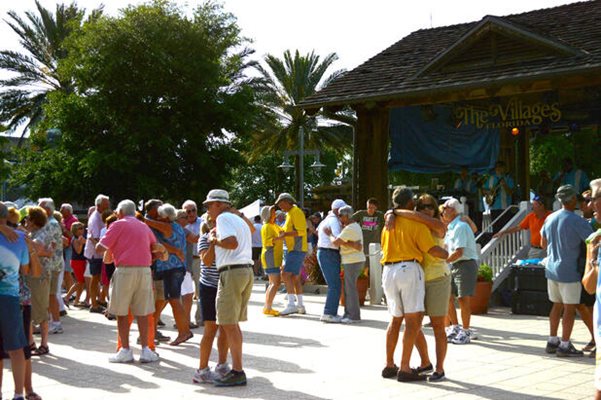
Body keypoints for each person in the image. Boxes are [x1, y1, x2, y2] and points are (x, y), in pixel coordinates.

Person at [380, 187, 448, 382]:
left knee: (395, 319)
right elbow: (432, 249)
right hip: (408, 269)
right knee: (413, 321)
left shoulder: (388, 225)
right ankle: (404, 368)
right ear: (410, 203)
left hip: (388, 270)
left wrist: (392, 212)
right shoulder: (415, 224)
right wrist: (446, 255)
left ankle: (389, 363)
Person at [96, 199, 161, 363]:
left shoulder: (117, 225)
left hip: (125, 270)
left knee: (122, 312)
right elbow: (155, 247)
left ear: (121, 212)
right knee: (144, 312)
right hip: (145, 271)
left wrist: (114, 246)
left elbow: (99, 248)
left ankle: (125, 350)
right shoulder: (144, 226)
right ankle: (146, 349)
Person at [204, 189, 254, 387]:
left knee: (228, 324)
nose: (208, 209)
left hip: (232, 273)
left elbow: (231, 243)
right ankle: (237, 369)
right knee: (233, 324)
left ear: (218, 204)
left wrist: (213, 240)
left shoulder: (224, 218)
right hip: (244, 271)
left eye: (209, 205)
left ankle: (238, 371)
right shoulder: (238, 219)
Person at [542, 185, 593, 357]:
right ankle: (564, 345)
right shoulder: (576, 220)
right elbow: (592, 242)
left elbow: (543, 243)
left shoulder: (550, 218)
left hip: (551, 269)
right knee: (569, 308)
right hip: (569, 270)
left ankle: (552, 340)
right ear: (571, 199)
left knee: (556, 305)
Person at [144, 204, 193, 346]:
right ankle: (152, 333)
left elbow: (148, 224)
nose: (157, 218)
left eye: (159, 215)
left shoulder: (168, 226)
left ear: (165, 217)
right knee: (167, 301)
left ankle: (184, 332)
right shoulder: (175, 226)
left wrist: (142, 218)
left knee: (174, 300)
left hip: (172, 268)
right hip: (173, 268)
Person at [192, 216, 231, 383]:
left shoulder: (227, 238)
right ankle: (201, 370)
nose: (217, 226)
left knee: (225, 328)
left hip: (225, 285)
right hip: (209, 287)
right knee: (210, 328)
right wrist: (213, 243)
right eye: (214, 223)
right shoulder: (204, 239)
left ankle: (222, 365)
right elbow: (206, 261)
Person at [0, 201, 30, 400]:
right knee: (16, 347)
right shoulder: (19, 237)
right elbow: (25, 270)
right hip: (10, 297)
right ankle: (19, 393)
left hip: (9, 298)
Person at [442, 198, 480, 345]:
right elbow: (447, 248)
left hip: (465, 264)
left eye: (445, 208)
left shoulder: (460, 227)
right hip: (455, 265)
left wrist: (444, 262)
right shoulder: (451, 227)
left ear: (453, 210)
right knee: (448, 297)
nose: (442, 211)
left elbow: (459, 251)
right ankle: (455, 327)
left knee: (463, 299)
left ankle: (465, 331)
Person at [329, 205, 365, 323]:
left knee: (350, 289)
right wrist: (349, 243)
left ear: (347, 215)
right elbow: (345, 242)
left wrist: (329, 234)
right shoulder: (353, 226)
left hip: (352, 261)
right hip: (353, 260)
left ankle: (353, 316)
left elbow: (336, 242)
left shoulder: (350, 228)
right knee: (349, 288)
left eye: (340, 215)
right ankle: (349, 313)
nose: (339, 218)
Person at [582, 179, 601, 399]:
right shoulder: (594, 239)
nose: (589, 205)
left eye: (592, 199)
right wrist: (595, 261)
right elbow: (587, 286)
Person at [274, 193, 308, 316]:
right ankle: (300, 305)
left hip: (296, 249)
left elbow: (301, 232)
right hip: (294, 249)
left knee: (285, 274)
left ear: (287, 202)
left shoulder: (296, 212)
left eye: (280, 203)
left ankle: (291, 305)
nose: (279, 206)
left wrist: (284, 235)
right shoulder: (291, 213)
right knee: (294, 277)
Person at [316, 199, 347, 323]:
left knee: (334, 284)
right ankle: (329, 313)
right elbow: (338, 239)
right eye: (343, 210)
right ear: (337, 210)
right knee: (334, 285)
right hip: (329, 253)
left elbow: (318, 230)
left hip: (325, 252)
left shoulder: (327, 219)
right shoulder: (334, 221)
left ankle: (331, 312)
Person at [493, 194, 551, 259]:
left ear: (542, 206)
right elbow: (518, 227)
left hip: (549, 250)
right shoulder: (530, 216)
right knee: (531, 268)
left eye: (535, 204)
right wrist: (502, 232)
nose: (532, 207)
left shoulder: (552, 216)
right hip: (534, 250)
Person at [84, 194, 110, 313]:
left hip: (98, 253)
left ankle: (99, 300)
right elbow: (94, 238)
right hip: (95, 253)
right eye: (106, 204)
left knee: (99, 277)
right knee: (95, 278)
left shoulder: (100, 215)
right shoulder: (95, 218)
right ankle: (94, 304)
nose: (108, 206)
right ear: (99, 205)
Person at [260, 206, 284, 316]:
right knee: (275, 283)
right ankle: (268, 307)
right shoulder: (267, 226)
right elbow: (267, 242)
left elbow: (283, 231)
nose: (275, 214)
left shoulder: (274, 225)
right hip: (270, 256)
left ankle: (267, 306)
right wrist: (280, 237)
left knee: (273, 283)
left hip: (274, 256)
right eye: (273, 212)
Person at [182, 199, 202, 327]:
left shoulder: (203, 223)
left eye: (193, 210)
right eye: (188, 211)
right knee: (185, 293)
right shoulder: (181, 225)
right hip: (185, 261)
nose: (191, 213)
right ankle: (184, 321)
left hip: (200, 259)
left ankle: (200, 318)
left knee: (200, 290)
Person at [483, 161, 515, 233]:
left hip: (505, 207)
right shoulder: (490, 178)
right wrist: (489, 192)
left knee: (505, 228)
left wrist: (504, 184)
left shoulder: (508, 178)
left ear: (504, 168)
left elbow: (511, 192)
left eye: (501, 167)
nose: (499, 169)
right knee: (495, 228)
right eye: (497, 167)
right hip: (493, 206)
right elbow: (484, 190)